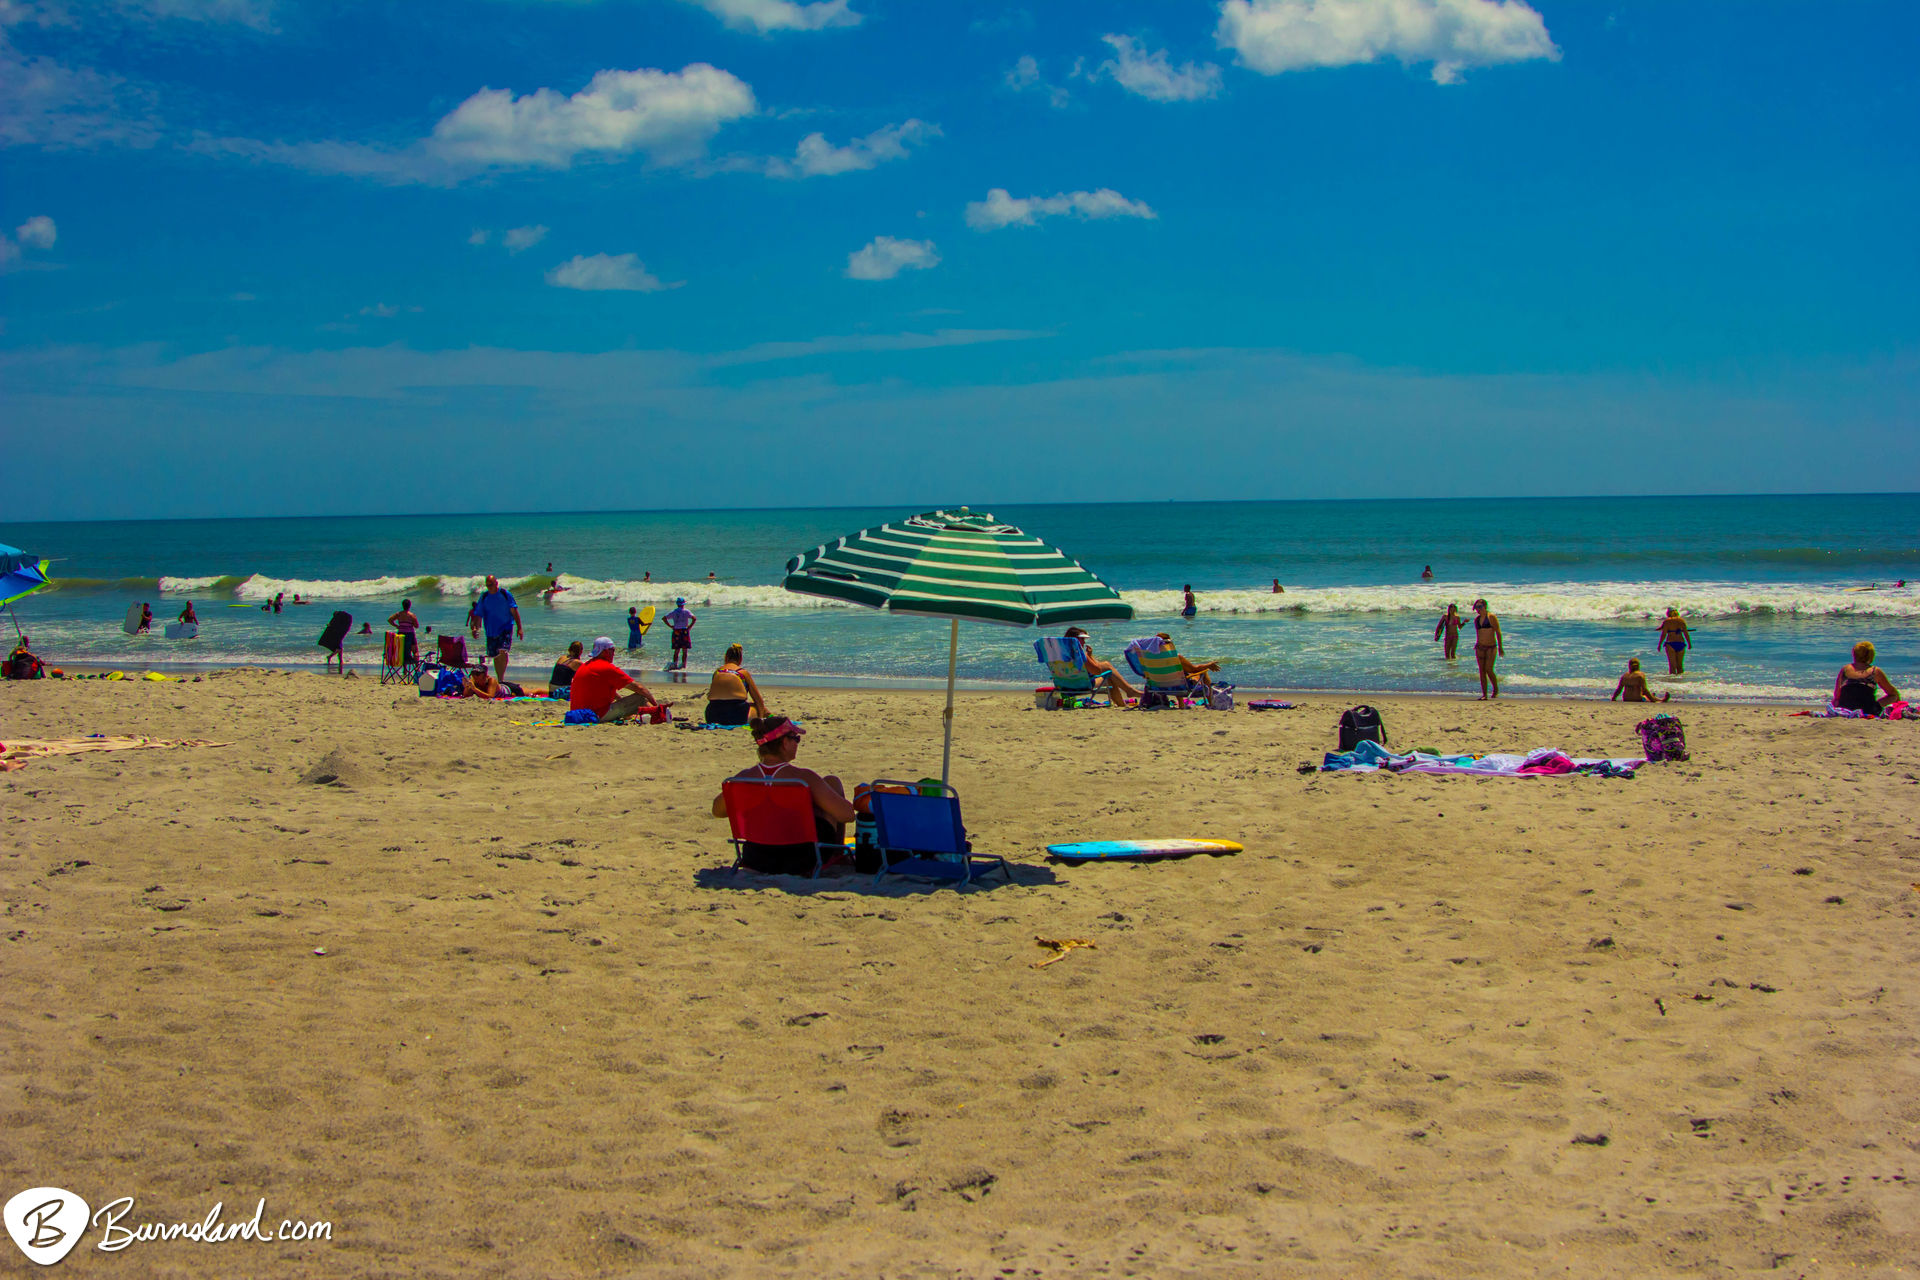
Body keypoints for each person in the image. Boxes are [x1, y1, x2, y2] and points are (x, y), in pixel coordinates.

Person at [712, 715, 857, 876]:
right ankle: (837, 855)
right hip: (802, 858)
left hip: (756, 856)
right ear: (784, 742)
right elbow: (847, 815)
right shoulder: (803, 778)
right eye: (796, 738)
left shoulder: (742, 779)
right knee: (833, 783)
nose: (797, 743)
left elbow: (717, 811)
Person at [570, 637, 663, 722]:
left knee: (626, 704)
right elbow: (639, 687)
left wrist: (621, 701)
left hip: (576, 714)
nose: (614, 654)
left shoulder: (585, 666)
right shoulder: (606, 667)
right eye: (613, 650)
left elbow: (603, 691)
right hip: (595, 715)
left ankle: (650, 713)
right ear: (605, 652)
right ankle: (659, 713)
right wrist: (656, 704)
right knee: (640, 698)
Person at [1063, 627, 1139, 705]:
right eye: (1082, 639)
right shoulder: (1080, 654)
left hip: (1064, 685)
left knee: (1107, 671)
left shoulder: (1060, 653)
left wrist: (1089, 656)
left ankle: (1123, 702)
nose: (1084, 642)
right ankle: (1129, 692)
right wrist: (1090, 657)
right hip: (1081, 686)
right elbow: (1097, 671)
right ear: (1075, 639)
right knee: (1108, 672)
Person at [471, 574, 523, 682]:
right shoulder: (484, 597)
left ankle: (500, 679)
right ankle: (500, 680)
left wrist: (519, 628)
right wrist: (475, 628)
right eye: (488, 585)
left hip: (506, 627)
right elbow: (478, 614)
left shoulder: (505, 594)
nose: (489, 587)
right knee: (495, 655)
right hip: (491, 630)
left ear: (496, 583)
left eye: (491, 584)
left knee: (502, 651)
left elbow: (514, 611)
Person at [704, 643, 768, 725]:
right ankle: (767, 717)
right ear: (740, 659)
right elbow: (758, 700)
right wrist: (761, 718)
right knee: (757, 707)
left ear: (726, 658)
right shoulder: (742, 673)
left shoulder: (717, 672)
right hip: (737, 715)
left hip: (712, 715)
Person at [1833, 641, 1901, 715]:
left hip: (1846, 708)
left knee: (1837, 700)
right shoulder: (1875, 671)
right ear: (1871, 655)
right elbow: (1891, 691)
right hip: (1867, 710)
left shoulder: (1845, 669)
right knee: (1894, 695)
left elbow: (1837, 695)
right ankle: (1899, 708)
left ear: (1854, 654)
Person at [1470, 598, 1503, 699]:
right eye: (1476, 607)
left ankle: (1495, 689)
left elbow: (1498, 632)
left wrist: (1500, 647)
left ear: (1485, 607)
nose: (1478, 609)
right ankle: (1484, 694)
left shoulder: (1491, 617)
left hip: (1491, 647)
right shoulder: (1476, 620)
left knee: (1489, 669)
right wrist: (1477, 643)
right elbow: (1478, 633)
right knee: (1481, 671)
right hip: (1480, 647)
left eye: (1480, 607)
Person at [1656, 608, 1693, 675]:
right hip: (1681, 643)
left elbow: (1664, 634)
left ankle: (1673, 682)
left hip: (1670, 643)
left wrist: (1659, 645)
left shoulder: (1667, 621)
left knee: (1672, 666)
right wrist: (1689, 644)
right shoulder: (1681, 620)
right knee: (1680, 666)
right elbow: (1686, 633)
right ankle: (1681, 682)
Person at [664, 598, 696, 671]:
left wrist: (670, 626)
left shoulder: (674, 612)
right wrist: (690, 627)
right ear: (683, 604)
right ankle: (683, 664)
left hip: (676, 631)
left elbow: (664, 618)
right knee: (685, 650)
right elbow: (694, 618)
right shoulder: (686, 611)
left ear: (677, 604)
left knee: (676, 650)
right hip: (684, 631)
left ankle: (675, 663)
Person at [388, 598, 421, 664]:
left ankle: (405, 670)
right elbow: (416, 626)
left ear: (402, 605)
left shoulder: (398, 614)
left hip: (400, 634)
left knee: (402, 651)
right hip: (410, 634)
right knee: (415, 651)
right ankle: (417, 668)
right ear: (410, 606)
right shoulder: (412, 615)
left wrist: (396, 626)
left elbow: (390, 620)